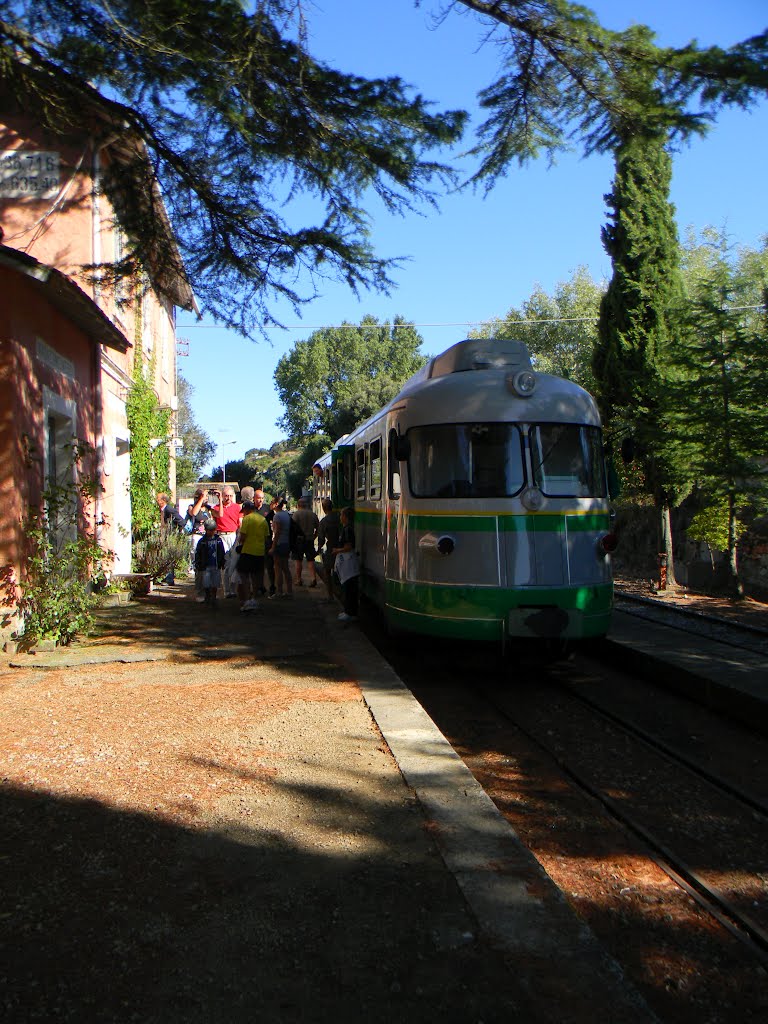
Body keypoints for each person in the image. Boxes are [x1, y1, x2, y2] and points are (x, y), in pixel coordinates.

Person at [235, 499, 270, 612]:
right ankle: (254, 599)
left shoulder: (247, 519)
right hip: (259, 552)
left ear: (246, 509)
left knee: (243, 575)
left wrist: (240, 544)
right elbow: (266, 537)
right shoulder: (263, 519)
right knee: (256, 576)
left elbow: (243, 537)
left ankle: (247, 599)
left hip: (247, 551)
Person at [209, 485, 241, 597]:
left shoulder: (237, 508)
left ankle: (233, 589)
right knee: (226, 564)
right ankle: (227, 591)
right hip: (221, 536)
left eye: (230, 496)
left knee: (234, 564)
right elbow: (217, 517)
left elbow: (240, 523)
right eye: (226, 495)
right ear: (222, 496)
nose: (228, 498)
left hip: (233, 535)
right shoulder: (216, 508)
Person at [332, 506, 359, 623]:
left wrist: (337, 550)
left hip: (348, 563)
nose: (340, 517)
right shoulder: (347, 528)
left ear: (345, 517)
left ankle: (350, 612)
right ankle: (348, 611)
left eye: (341, 515)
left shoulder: (347, 530)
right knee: (348, 588)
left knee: (349, 588)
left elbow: (348, 546)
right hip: (348, 563)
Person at [194, 518, 226, 607]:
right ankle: (207, 596)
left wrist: (222, 562)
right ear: (206, 530)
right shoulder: (202, 541)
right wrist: (198, 563)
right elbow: (198, 553)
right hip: (206, 565)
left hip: (215, 564)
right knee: (206, 582)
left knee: (215, 582)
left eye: (213, 530)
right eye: (209, 530)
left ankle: (214, 597)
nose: (211, 532)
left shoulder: (218, 540)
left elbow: (222, 552)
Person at [156, 492, 186, 584]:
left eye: (158, 499)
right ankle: (167, 577)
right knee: (165, 557)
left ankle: (169, 578)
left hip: (169, 537)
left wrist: (173, 530)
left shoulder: (169, 509)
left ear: (163, 500)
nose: (156, 500)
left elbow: (181, 521)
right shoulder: (161, 510)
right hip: (164, 536)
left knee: (169, 557)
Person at [185, 488, 209, 602]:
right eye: (204, 496)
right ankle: (199, 590)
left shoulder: (208, 509)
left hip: (207, 538)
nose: (206, 498)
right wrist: (200, 499)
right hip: (197, 537)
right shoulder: (192, 506)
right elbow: (193, 513)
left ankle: (208, 591)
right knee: (199, 565)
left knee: (209, 566)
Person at [291, 495, 320, 587]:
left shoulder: (296, 514)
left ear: (298, 505)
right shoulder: (313, 514)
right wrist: (314, 536)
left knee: (298, 560)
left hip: (299, 540)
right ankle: (313, 578)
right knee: (311, 560)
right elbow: (318, 528)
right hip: (310, 540)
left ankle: (299, 580)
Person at [316, 497, 341, 603]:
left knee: (327, 572)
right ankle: (340, 592)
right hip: (342, 547)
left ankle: (330, 595)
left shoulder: (324, 521)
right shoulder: (339, 518)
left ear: (323, 508)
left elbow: (321, 539)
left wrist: (318, 549)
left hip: (331, 548)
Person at [268, 498, 293, 599]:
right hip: (286, 543)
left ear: (276, 504)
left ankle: (279, 591)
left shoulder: (277, 516)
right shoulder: (286, 515)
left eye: (272, 502)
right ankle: (289, 591)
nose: (270, 504)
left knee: (278, 568)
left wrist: (273, 547)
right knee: (286, 568)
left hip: (279, 544)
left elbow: (277, 532)